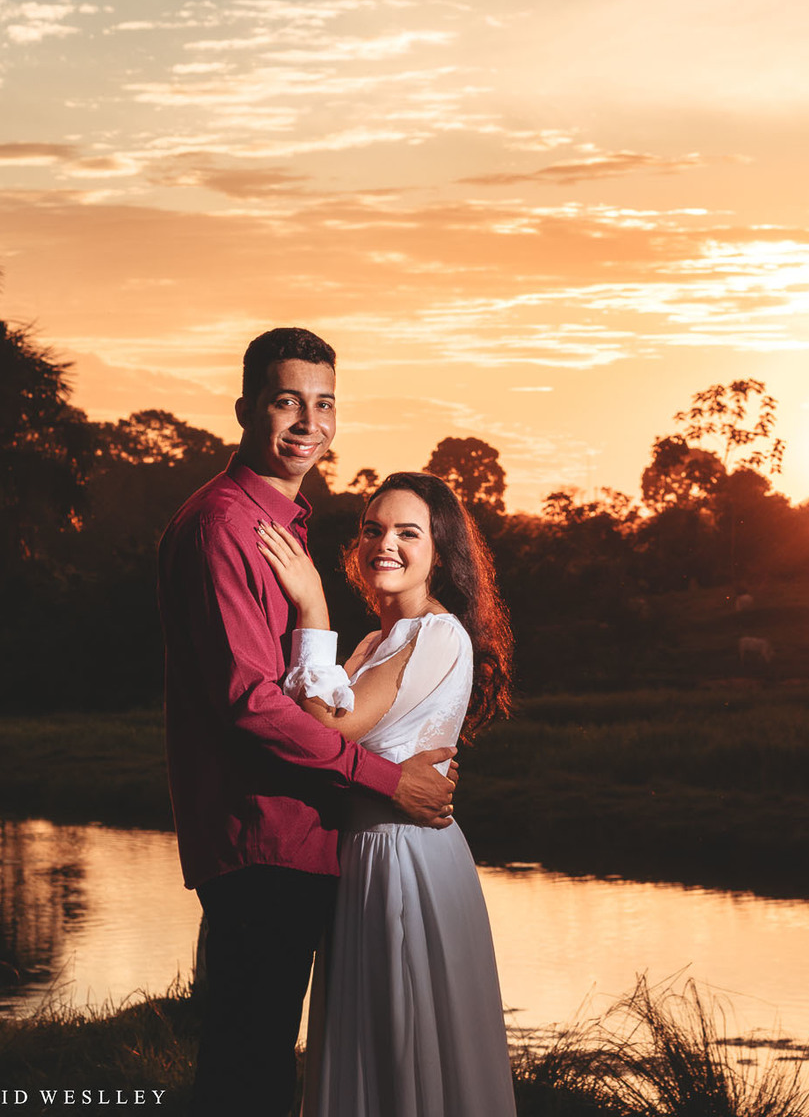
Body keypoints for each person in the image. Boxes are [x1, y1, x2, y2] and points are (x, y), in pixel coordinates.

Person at [157, 328, 458, 1117]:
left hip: (297, 838)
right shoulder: (225, 523)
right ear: (247, 409)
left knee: (262, 1062)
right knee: (248, 1070)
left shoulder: (280, 526)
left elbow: (307, 696)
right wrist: (392, 782)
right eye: (287, 400)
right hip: (264, 833)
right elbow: (251, 701)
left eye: (324, 404)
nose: (308, 422)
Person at [255, 469, 517, 1117]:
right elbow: (304, 732)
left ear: (438, 549)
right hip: (365, 857)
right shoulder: (376, 640)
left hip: (404, 860)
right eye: (374, 530)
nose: (386, 545)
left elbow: (325, 728)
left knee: (405, 1040)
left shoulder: (437, 633)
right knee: (373, 1039)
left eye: (408, 532)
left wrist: (312, 611)